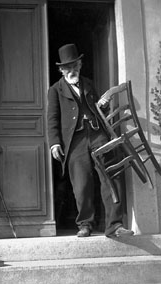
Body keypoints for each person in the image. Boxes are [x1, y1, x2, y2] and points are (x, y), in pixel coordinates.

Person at [47, 43, 134, 238]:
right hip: (74, 141)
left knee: (111, 175)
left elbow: (98, 111)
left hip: (97, 135)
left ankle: (115, 225)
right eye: (67, 67)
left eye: (75, 66)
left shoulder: (88, 83)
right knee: (81, 183)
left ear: (80, 65)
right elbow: (52, 118)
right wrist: (54, 142)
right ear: (61, 70)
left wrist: (103, 106)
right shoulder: (55, 90)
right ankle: (85, 224)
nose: (72, 70)